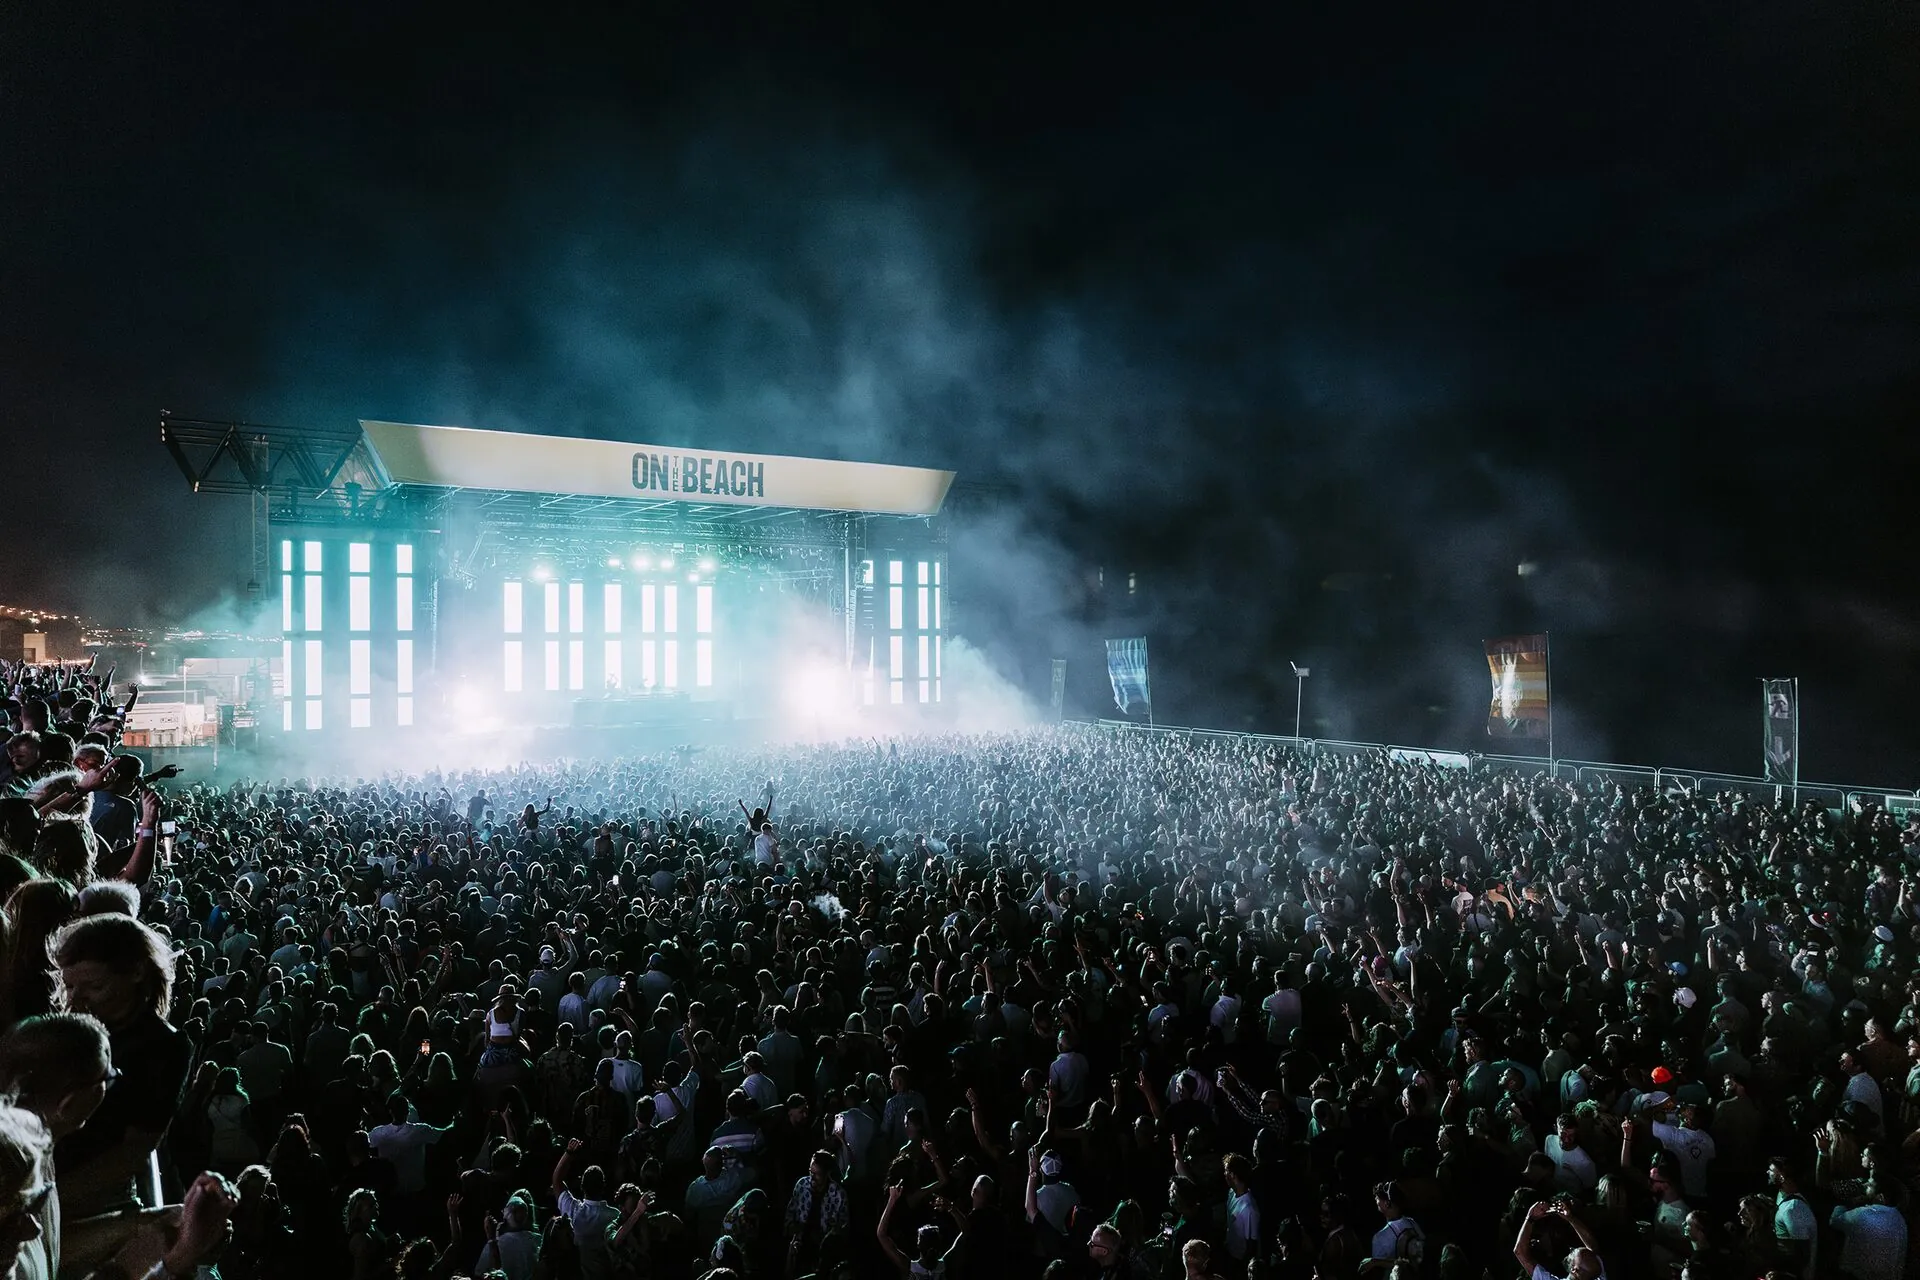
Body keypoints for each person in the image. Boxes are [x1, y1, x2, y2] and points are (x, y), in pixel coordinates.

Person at [50, 913, 192, 1217]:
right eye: (70, 986)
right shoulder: (66, 1024)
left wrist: (50, 1200)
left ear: (137, 973)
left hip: (86, 1200)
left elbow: (133, 1150)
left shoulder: (164, 1047)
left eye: (95, 986)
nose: (77, 1000)